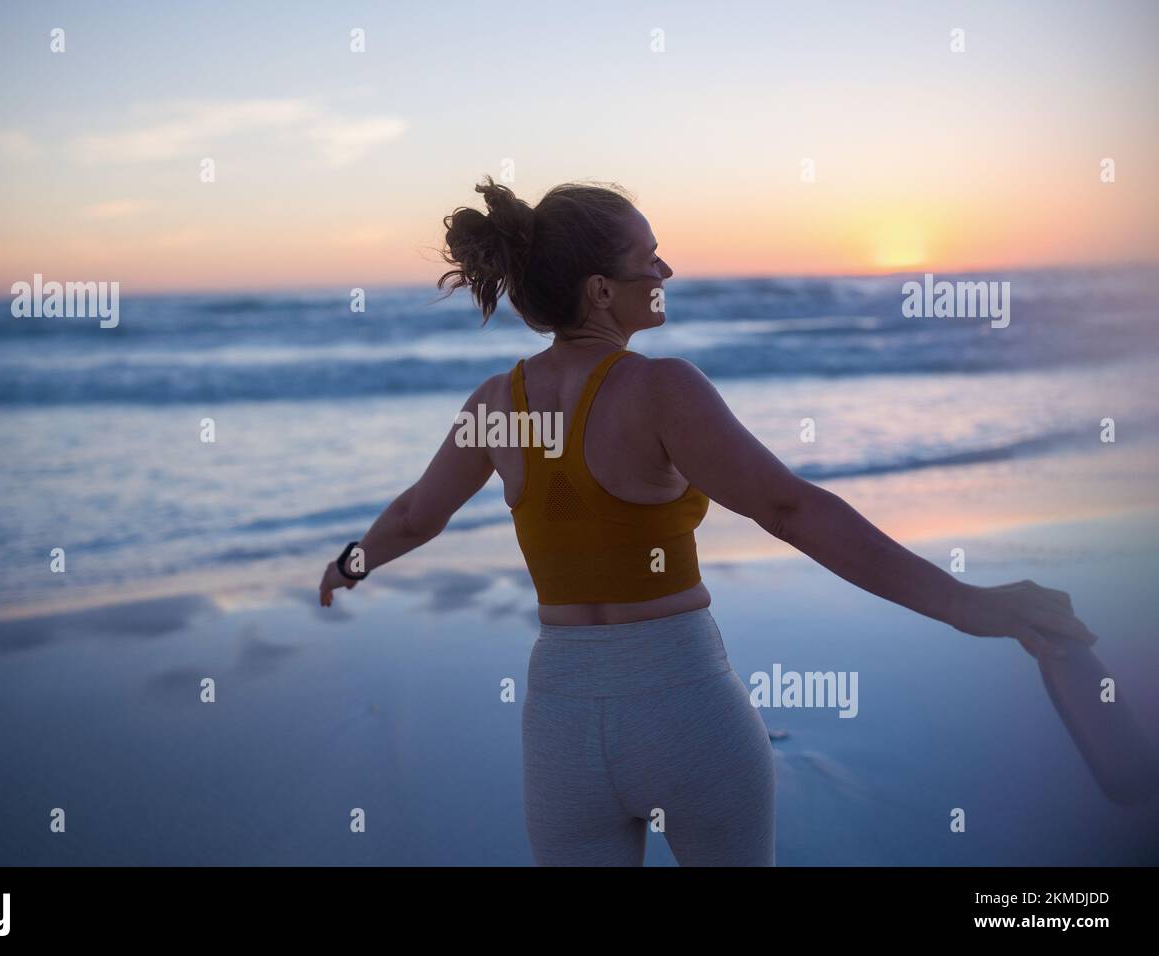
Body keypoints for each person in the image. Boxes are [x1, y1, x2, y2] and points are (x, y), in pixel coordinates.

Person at [318, 175, 1098, 866]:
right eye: (648, 256)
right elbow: (791, 509)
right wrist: (968, 605)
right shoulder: (660, 388)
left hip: (559, 724)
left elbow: (419, 514)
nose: (664, 270)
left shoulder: (497, 404)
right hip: (684, 706)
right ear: (599, 290)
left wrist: (352, 563)